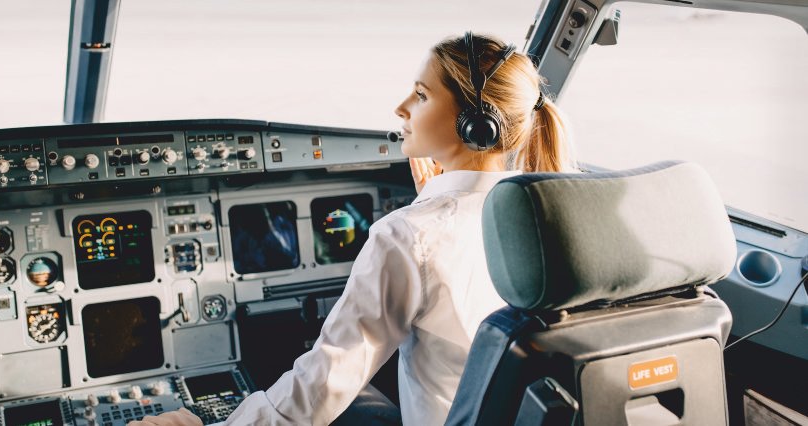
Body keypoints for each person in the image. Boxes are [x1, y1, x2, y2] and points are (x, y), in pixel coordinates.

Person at [129, 31, 575, 426]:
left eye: (421, 95)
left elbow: (321, 387)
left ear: (473, 124)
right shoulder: (553, 216)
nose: (401, 107)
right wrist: (439, 194)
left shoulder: (409, 236)